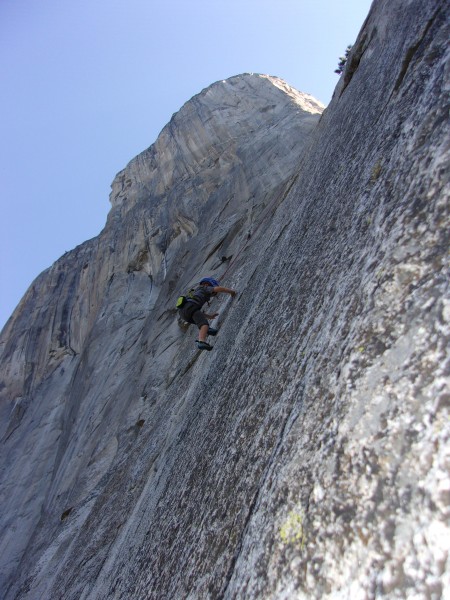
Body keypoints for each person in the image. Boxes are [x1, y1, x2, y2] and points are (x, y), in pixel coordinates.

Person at [179, 277, 236, 350]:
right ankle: (201, 341)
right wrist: (231, 292)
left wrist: (209, 316)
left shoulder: (195, 293)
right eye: (213, 292)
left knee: (199, 320)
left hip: (184, 314)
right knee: (203, 324)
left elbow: (197, 313)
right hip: (190, 308)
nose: (213, 293)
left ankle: (208, 330)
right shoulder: (204, 287)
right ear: (207, 284)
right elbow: (219, 289)